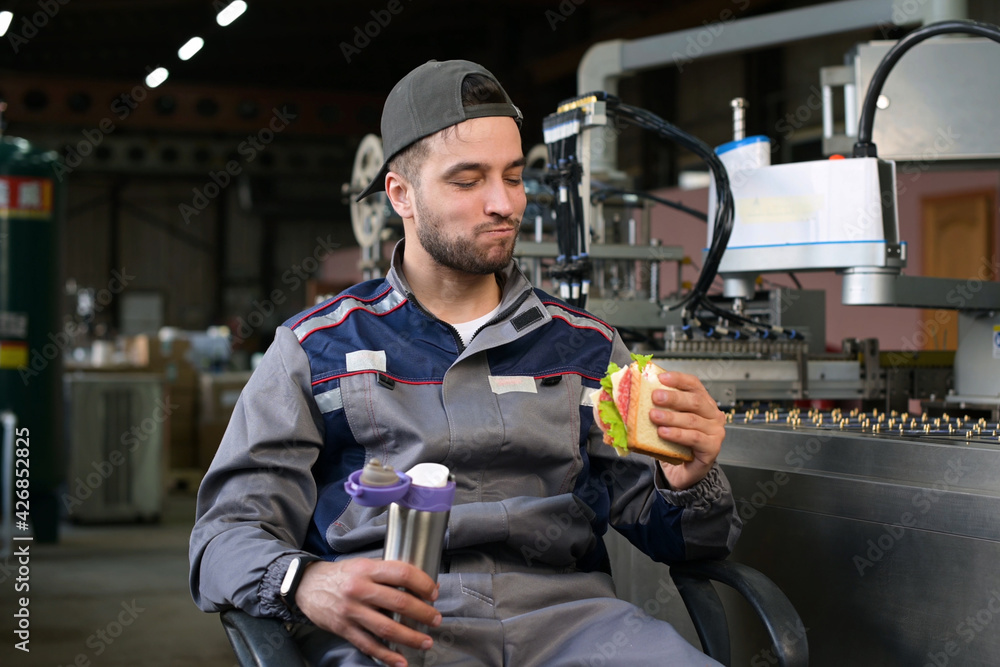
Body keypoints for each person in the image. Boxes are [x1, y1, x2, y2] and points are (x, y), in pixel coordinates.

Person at [190, 59, 741, 667]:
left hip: (573, 628)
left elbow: (687, 544)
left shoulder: (585, 348)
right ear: (401, 194)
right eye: (468, 180)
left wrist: (689, 481)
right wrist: (305, 582)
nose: (504, 204)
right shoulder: (316, 348)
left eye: (512, 176)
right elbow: (223, 537)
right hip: (394, 632)